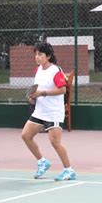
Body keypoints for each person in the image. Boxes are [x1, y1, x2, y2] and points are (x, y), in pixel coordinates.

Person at [21, 42, 76, 180]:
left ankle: (69, 170)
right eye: (36, 54)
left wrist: (43, 93)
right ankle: (42, 161)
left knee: (54, 142)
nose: (37, 57)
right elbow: (37, 89)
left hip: (54, 112)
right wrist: (33, 97)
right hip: (40, 111)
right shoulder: (38, 70)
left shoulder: (55, 71)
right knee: (26, 135)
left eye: (40, 54)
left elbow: (63, 90)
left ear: (48, 56)